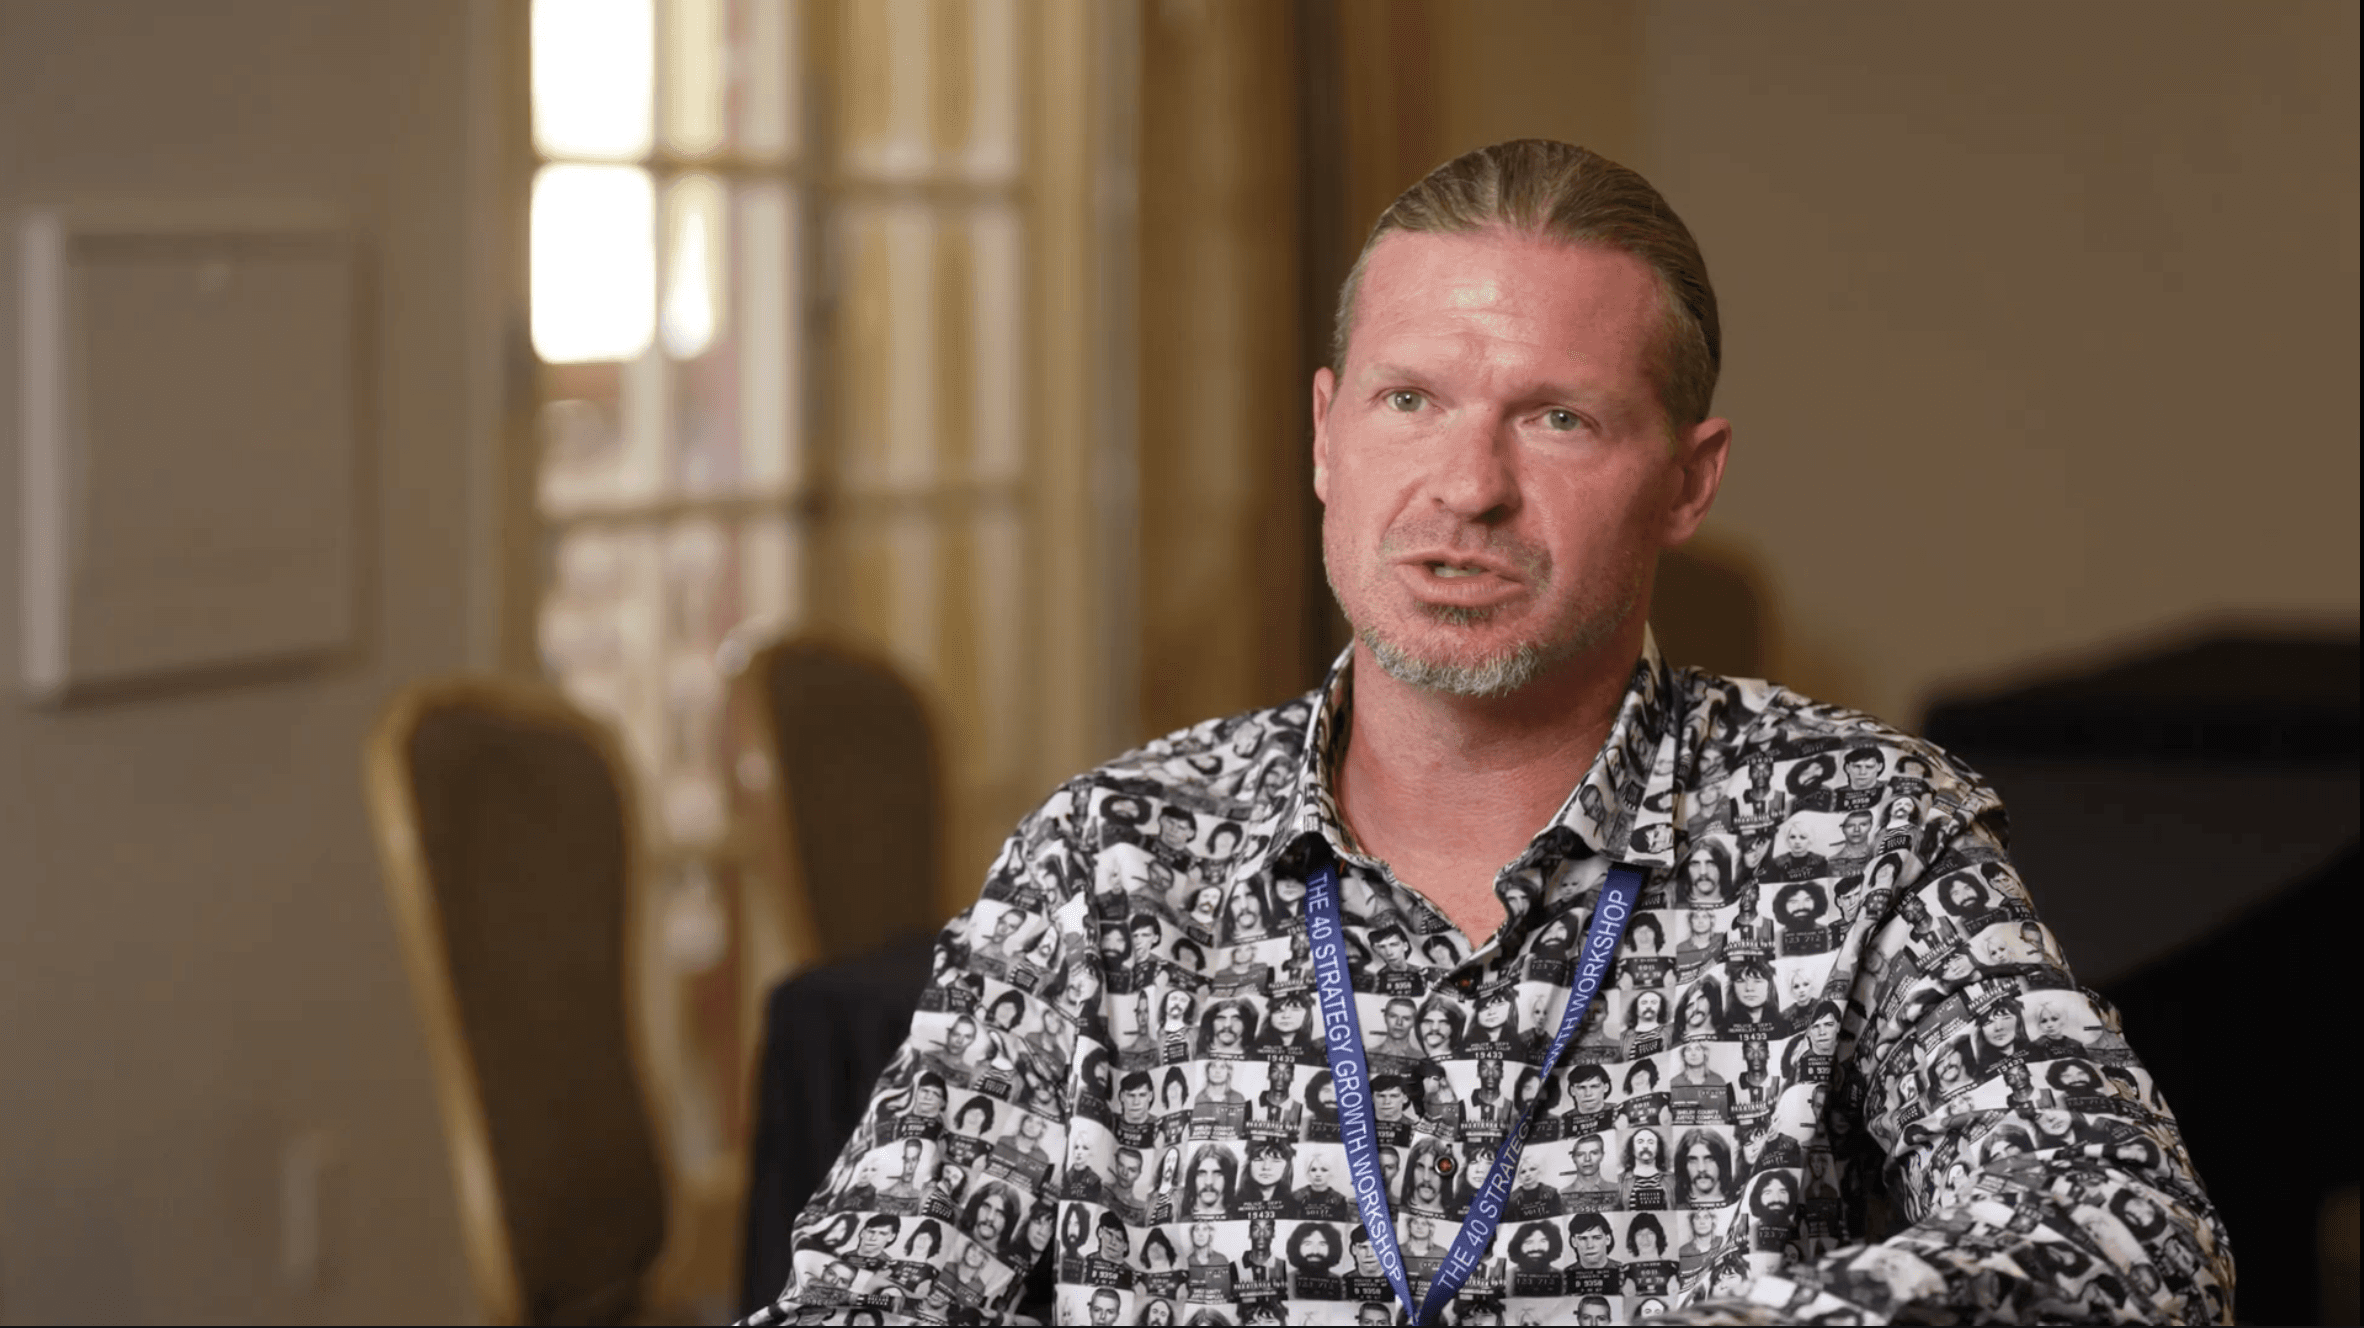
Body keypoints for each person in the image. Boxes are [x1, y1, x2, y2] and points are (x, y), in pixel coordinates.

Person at [743, 139, 2226, 1327]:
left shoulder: (1856, 832)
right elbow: (863, 1297)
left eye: (1557, 420)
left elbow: (2132, 1238)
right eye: (1411, 400)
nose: (1467, 486)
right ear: (1326, 434)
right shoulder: (1109, 860)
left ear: (1689, 480)